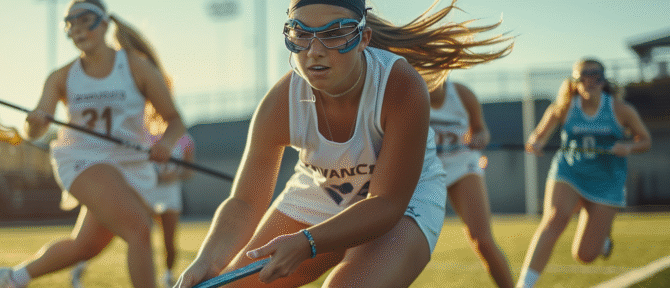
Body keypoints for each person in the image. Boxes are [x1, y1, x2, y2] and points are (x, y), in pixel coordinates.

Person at [174, 1, 510, 287]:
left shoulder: (401, 86)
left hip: (404, 201)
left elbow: (387, 203)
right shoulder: (279, 103)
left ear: (363, 38)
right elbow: (245, 203)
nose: (315, 50)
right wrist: (208, 259)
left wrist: (308, 241)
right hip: (322, 192)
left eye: (335, 34)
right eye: (301, 34)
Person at [0, 1, 187, 288]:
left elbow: (175, 121)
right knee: (139, 229)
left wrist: (167, 145)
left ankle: (13, 278)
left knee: (85, 247)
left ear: (104, 23)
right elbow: (35, 129)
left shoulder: (134, 66)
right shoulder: (61, 76)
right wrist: (34, 122)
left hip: (130, 165)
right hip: (83, 160)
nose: (77, 28)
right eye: (70, 23)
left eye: (85, 20)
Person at [516, 58, 652, 288]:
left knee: (585, 255)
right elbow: (536, 137)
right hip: (569, 172)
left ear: (603, 79)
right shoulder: (564, 107)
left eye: (595, 75)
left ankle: (603, 239)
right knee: (554, 219)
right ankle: (524, 285)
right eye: (583, 76)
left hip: (606, 179)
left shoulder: (621, 109)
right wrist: (535, 144)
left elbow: (645, 141)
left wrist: (627, 147)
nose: (590, 80)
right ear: (575, 82)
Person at [70, 104, 197, 288]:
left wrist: (175, 175)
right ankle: (79, 267)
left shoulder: (185, 140)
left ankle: (168, 276)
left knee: (169, 241)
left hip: (170, 193)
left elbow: (189, 171)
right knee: (128, 232)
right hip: (146, 189)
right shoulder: (142, 135)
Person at [429, 81, 514, 288]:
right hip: (425, 171)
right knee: (402, 245)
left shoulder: (462, 94)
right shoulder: (407, 90)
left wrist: (479, 138)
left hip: (462, 166)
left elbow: (481, 130)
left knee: (482, 240)